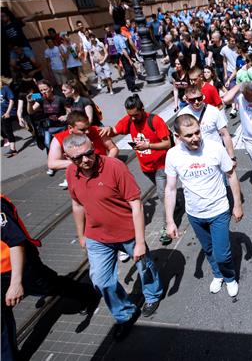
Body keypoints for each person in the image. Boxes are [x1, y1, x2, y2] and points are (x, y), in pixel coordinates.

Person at [65, 134, 163, 340]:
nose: (84, 161)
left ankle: (153, 294)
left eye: (88, 154)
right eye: (77, 158)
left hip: (127, 232)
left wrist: (139, 243)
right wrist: (81, 234)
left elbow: (136, 204)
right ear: (69, 158)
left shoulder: (114, 167)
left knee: (144, 266)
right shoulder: (71, 173)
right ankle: (125, 313)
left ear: (94, 148)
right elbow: (77, 205)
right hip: (97, 236)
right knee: (101, 280)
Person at [1, 195, 98, 361]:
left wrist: (16, 283)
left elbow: (16, 242)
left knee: (50, 286)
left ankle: (88, 293)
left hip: (19, 266)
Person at [164, 114, 243, 297]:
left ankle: (230, 277)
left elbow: (231, 175)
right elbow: (170, 188)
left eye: (197, 132)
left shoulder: (215, 148)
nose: (195, 138)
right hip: (194, 213)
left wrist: (237, 204)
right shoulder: (173, 155)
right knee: (208, 249)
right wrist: (170, 221)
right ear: (178, 137)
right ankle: (217, 274)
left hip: (218, 210)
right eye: (189, 135)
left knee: (222, 253)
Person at [100, 94, 174, 244]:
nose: (133, 118)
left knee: (162, 194)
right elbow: (115, 130)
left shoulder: (155, 120)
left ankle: (167, 227)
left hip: (162, 165)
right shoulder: (129, 121)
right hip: (146, 168)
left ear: (142, 109)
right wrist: (108, 129)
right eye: (130, 115)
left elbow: (167, 144)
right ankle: (174, 203)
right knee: (165, 193)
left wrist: (148, 146)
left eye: (135, 115)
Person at [49, 111, 118, 188]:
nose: (87, 131)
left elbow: (113, 148)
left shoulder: (98, 131)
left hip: (104, 174)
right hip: (82, 180)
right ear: (70, 128)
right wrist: (78, 161)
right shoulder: (59, 139)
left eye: (88, 127)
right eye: (82, 130)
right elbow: (52, 163)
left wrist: (106, 163)